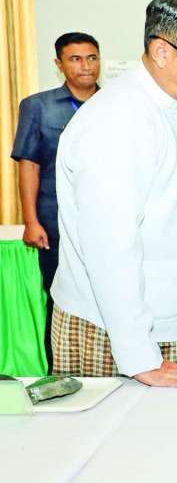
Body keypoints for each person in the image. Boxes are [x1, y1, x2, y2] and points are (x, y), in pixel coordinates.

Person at [51, 0, 177, 389]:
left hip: (169, 324)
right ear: (162, 52)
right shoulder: (116, 122)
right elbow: (110, 249)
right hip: (113, 334)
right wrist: (141, 357)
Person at [11, 32, 101, 373]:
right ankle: (60, 373)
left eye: (92, 57)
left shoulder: (114, 105)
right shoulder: (38, 106)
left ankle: (109, 368)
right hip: (54, 222)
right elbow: (29, 165)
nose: (85, 66)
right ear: (59, 64)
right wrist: (31, 221)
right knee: (60, 298)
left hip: (105, 221)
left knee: (110, 296)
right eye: (75, 58)